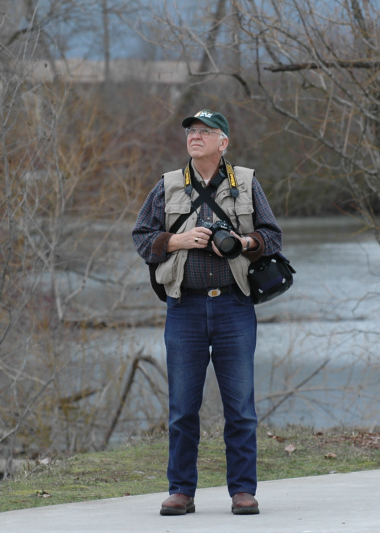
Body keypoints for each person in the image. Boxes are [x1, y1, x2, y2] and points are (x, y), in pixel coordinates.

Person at [133, 109, 283, 516]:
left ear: (224, 142)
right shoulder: (165, 186)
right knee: (182, 407)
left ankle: (242, 491)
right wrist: (178, 240)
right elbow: (142, 239)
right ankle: (180, 490)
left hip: (234, 305)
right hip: (185, 307)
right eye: (191, 132)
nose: (195, 137)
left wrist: (243, 242)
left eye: (206, 132)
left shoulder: (247, 184)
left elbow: (272, 236)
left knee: (240, 406)